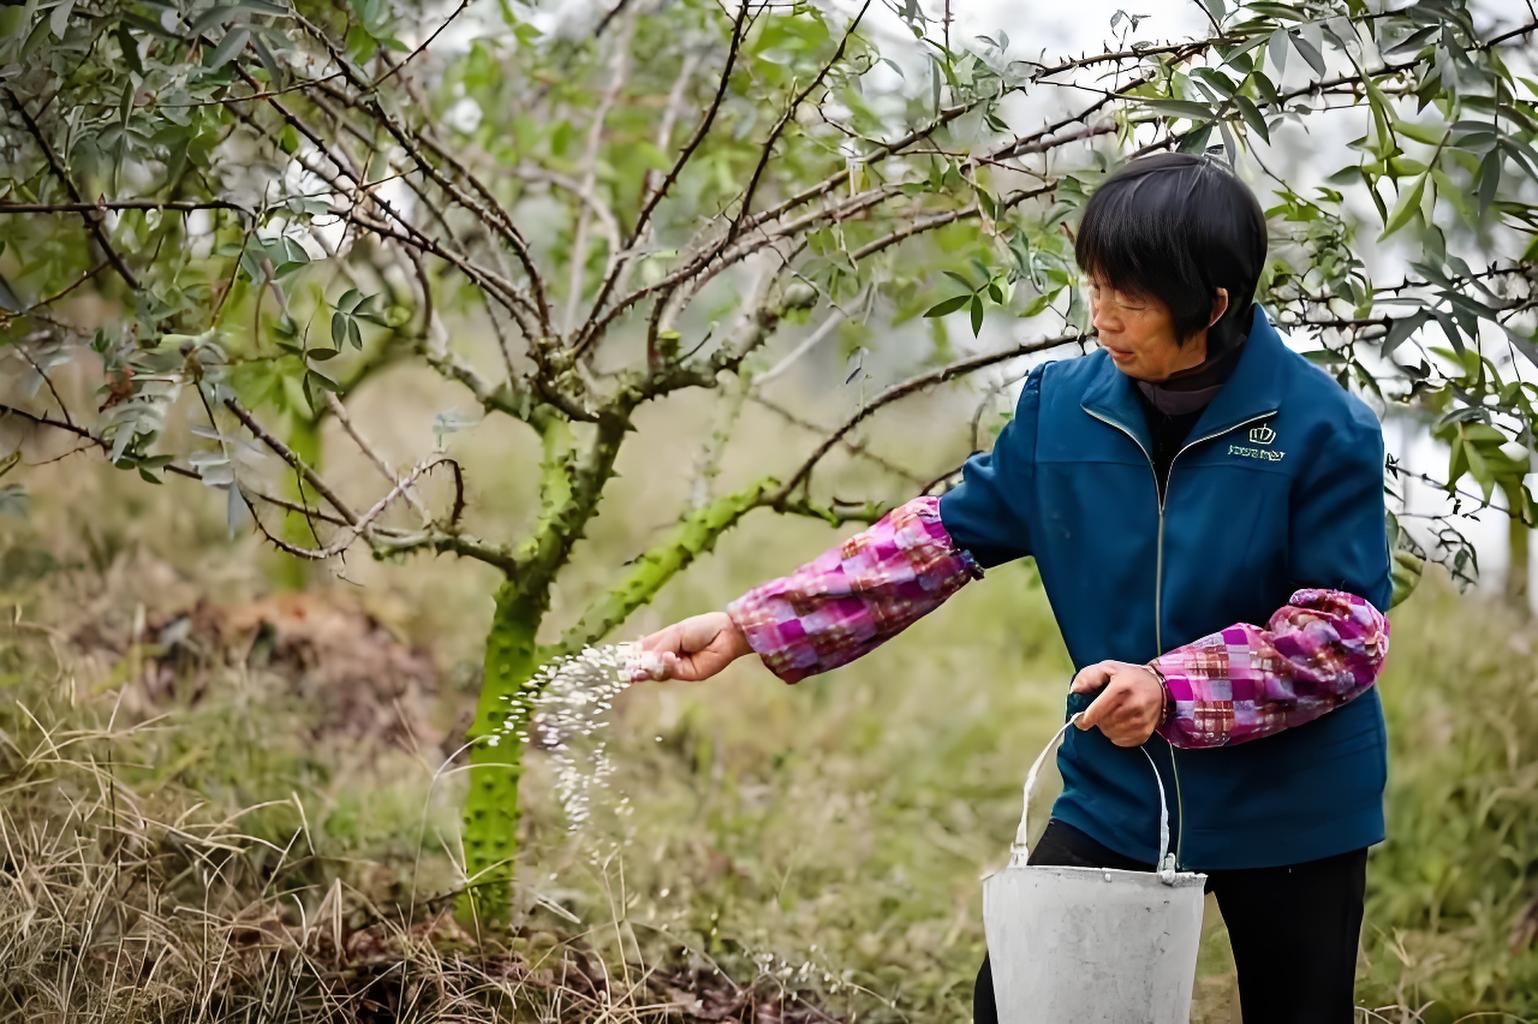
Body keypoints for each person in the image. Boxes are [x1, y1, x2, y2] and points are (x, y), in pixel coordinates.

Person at [630, 152, 1392, 1024]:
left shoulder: (1325, 428)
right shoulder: (1063, 406)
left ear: (1214, 305)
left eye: (1130, 297)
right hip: (1121, 786)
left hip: (1294, 809)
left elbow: (1346, 631)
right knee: (1026, 1006)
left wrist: (1173, 686)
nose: (1101, 316)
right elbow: (941, 537)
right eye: (1094, 286)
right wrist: (750, 626)